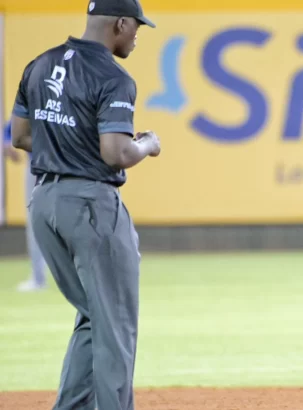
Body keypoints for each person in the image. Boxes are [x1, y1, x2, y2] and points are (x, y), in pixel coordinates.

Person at [9, 0, 159, 409]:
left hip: (44, 204)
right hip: (91, 205)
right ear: (121, 23)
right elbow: (116, 152)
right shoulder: (113, 76)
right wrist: (147, 143)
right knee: (116, 326)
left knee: (94, 316)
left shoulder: (39, 64)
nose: (136, 36)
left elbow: (20, 136)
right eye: (136, 28)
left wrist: (69, 149)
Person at [3, 122, 49, 292]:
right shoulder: (33, 96)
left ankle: (82, 277)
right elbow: (11, 128)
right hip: (36, 166)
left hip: (68, 166)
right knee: (34, 221)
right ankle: (38, 278)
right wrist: (8, 141)